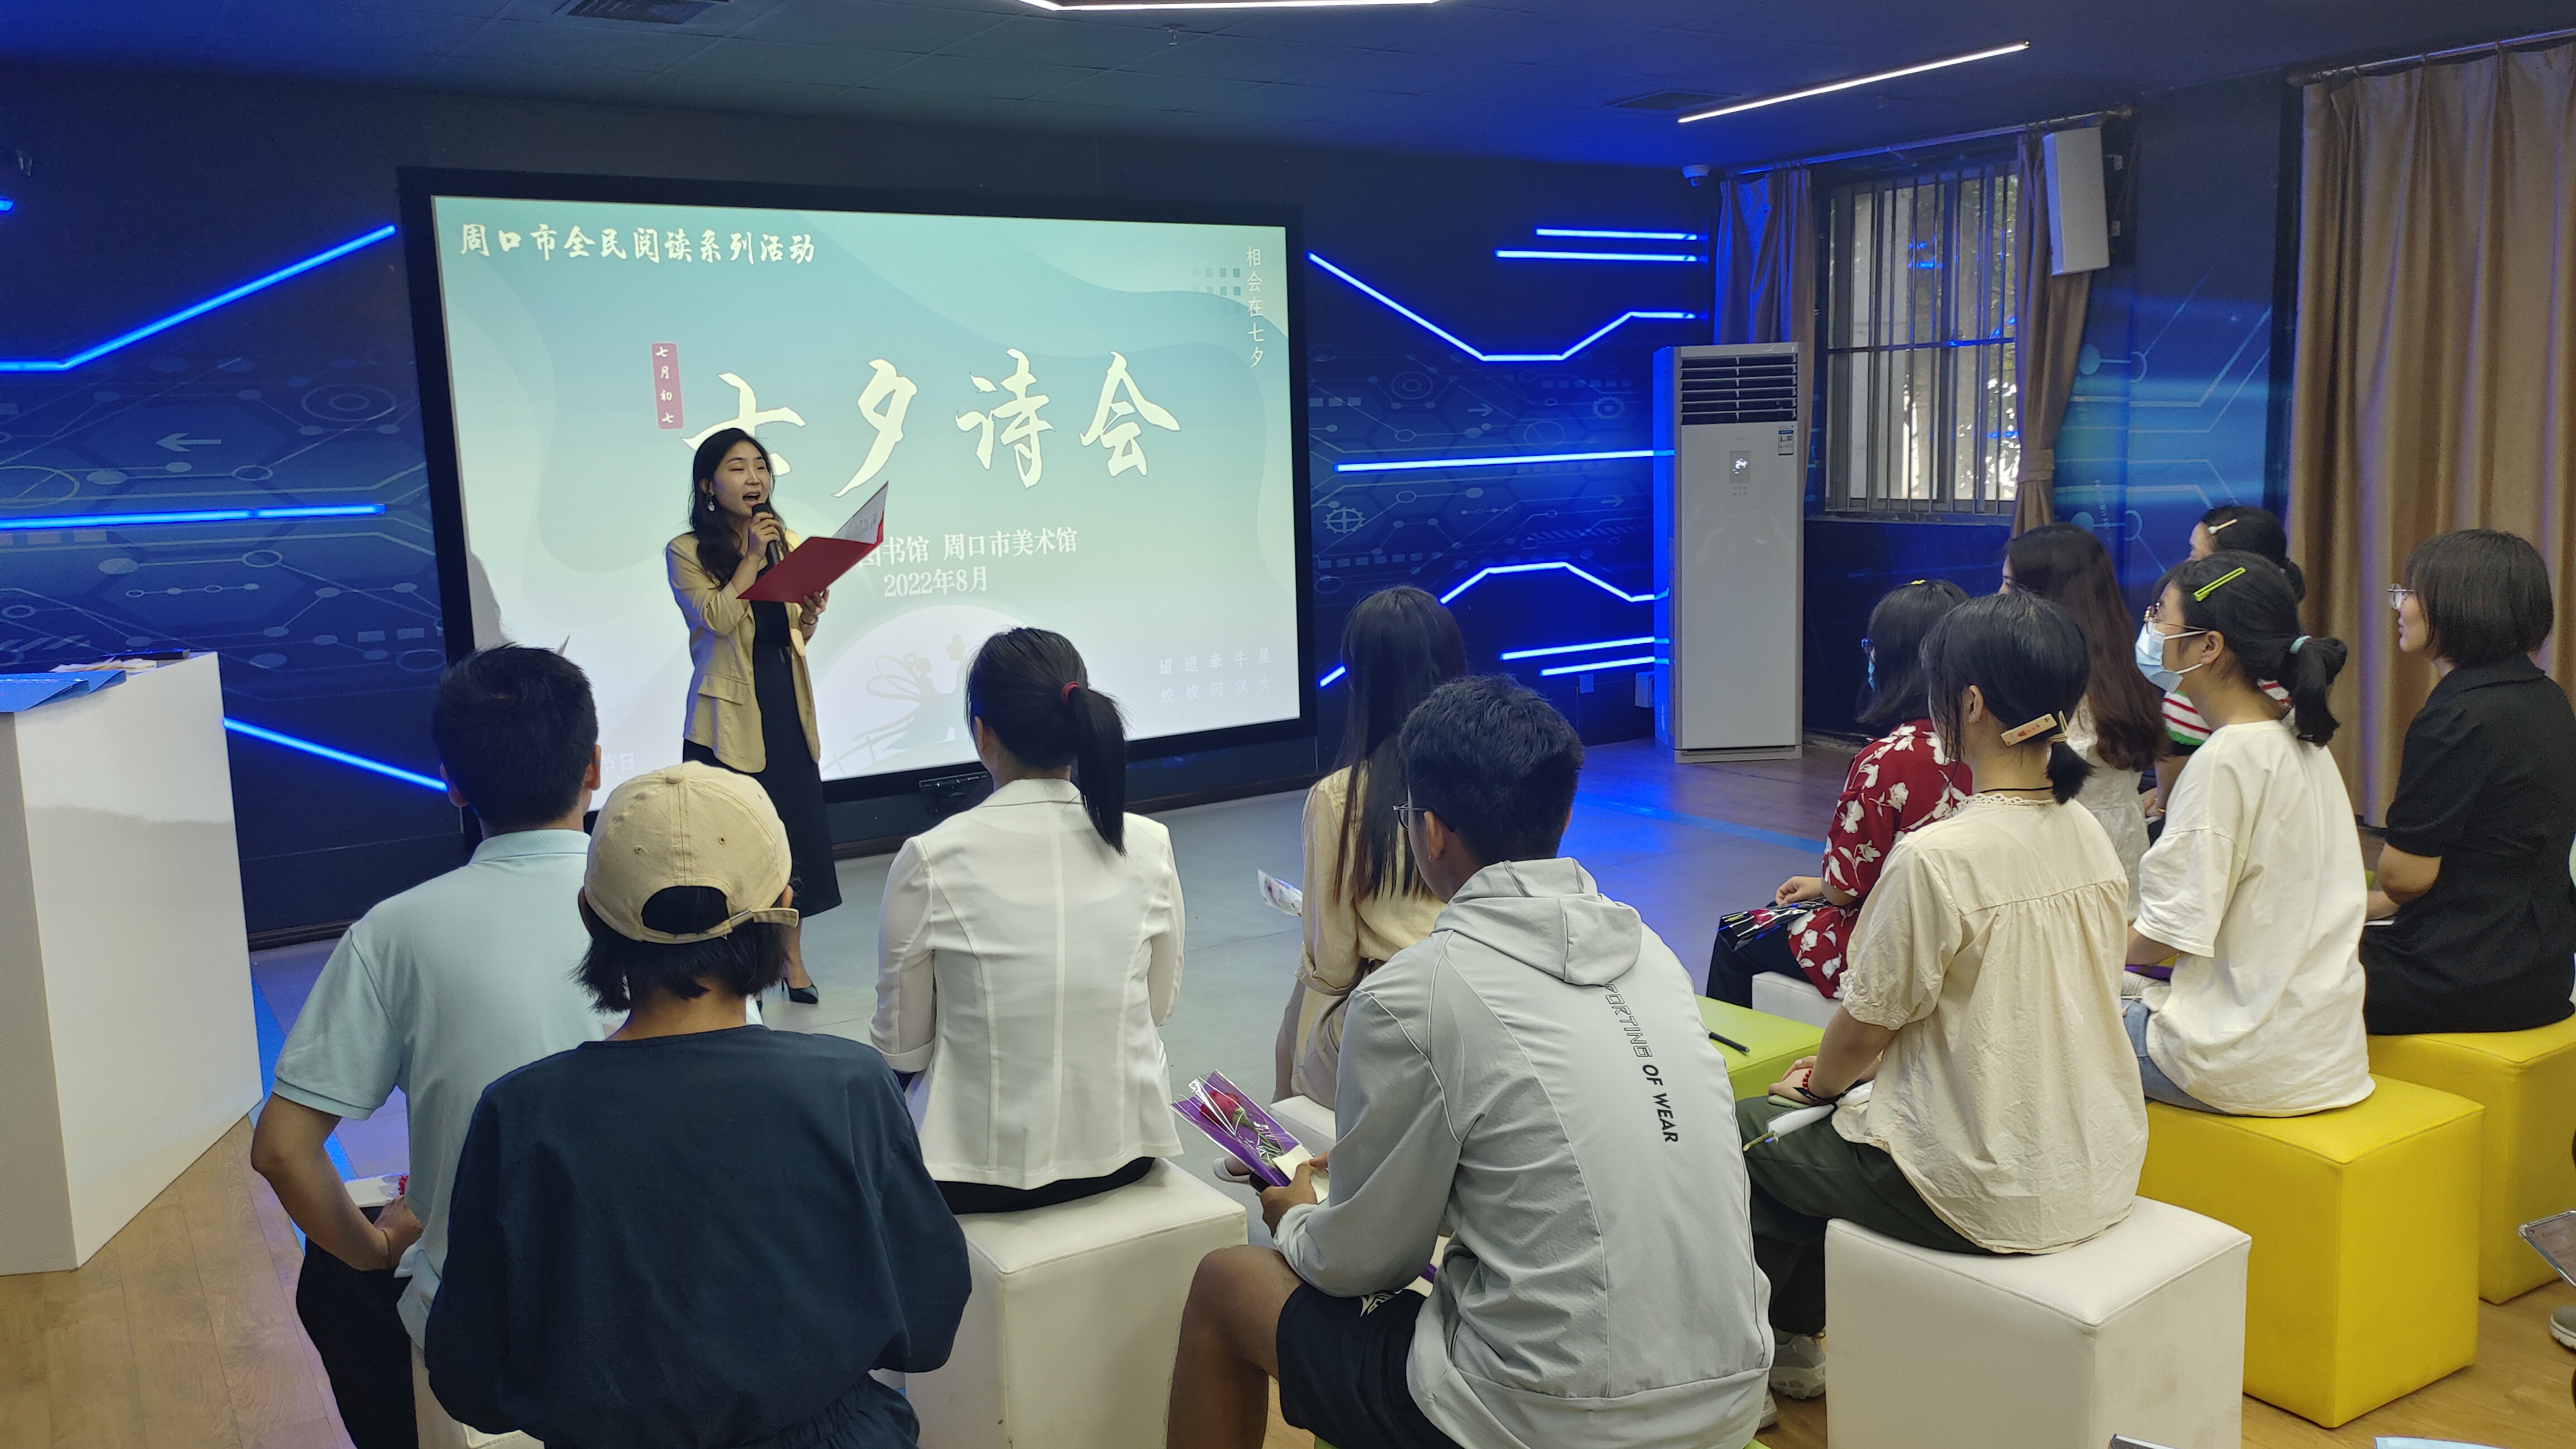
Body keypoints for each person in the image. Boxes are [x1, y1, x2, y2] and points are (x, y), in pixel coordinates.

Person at [1167, 676, 1772, 1449]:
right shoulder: (1649, 953)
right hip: (1730, 1392)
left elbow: (1363, 1264)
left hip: (1550, 1417)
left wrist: (1296, 1217)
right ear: (1561, 813)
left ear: (1429, 832)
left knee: (1227, 1284)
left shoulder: (1413, 994)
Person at [425, 764, 969, 1448]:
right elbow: (929, 1316)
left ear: (590, 915)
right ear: (784, 908)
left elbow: (470, 1375)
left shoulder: (520, 1115)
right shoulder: (851, 1085)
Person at [1739, 592, 2146, 1405]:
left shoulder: (1937, 858)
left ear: (1970, 705)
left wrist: (1818, 1086)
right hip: (2103, 1161)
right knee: (1825, 1132)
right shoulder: (2088, 832)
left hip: (1987, 1189)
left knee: (1753, 1134)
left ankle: (1764, 1353)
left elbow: (1861, 1034)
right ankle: (1791, 1342)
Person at [249, 646, 613, 1449]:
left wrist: (374, 1251)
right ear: (594, 766)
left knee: (337, 1278)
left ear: (450, 783)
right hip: (661, 1297)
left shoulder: (394, 931)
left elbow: (281, 1150)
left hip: (485, 1326)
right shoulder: (678, 912)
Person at [870, 627, 1185, 1214]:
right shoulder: (1150, 843)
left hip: (974, 1172)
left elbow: (902, 1050)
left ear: (982, 734)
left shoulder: (931, 857)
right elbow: (1159, 1006)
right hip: (1125, 1152)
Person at [2125, 552, 2374, 1115]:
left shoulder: (2227, 759)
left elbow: (2165, 935)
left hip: (2242, 1062)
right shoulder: (2297, 738)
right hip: (2324, 1052)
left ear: (2209, 646)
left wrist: (2080, 945)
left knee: (2036, 1013)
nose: (2150, 630)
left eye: (2159, 616)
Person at [1708, 579, 1971, 1005]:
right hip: (1963, 935)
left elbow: (1844, 888)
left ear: (1892, 660)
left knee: (1736, 935)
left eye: (1872, 647)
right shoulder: (1988, 747)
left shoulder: (1885, 760)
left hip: (1888, 942)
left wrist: (1825, 886)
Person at [2363, 528, 2576, 1035]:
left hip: (2456, 977)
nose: (2400, 606)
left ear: (2460, 605)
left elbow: (2404, 880)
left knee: (2266, 964)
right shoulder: (2548, 698)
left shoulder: (2456, 718)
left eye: (2410, 592)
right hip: (2542, 970)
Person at [1274, 586, 1463, 1105]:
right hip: (1493, 997)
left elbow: (1333, 966)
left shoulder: (1340, 799)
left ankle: (1284, 1137)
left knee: (1292, 1031)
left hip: (1397, 1024)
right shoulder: (1492, 777)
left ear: (1359, 681)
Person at [670, 427, 834, 1003]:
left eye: (761, 466)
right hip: (725, 717)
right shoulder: (687, 552)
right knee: (733, 843)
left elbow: (789, 633)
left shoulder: (786, 540)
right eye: (738, 468)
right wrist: (751, 560)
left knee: (793, 837)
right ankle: (739, 965)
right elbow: (716, 618)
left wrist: (809, 614)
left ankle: (792, 960)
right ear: (707, 485)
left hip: (784, 704)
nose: (755, 478)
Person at [2003, 523, 2163, 905]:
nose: (1999, 597)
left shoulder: (2055, 681)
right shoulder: (2123, 670)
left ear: (2044, 596)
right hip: (2121, 851)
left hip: (2062, 857)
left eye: (2009, 585)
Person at [2144, 505, 2299, 814]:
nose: (2187, 567)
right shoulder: (2292, 654)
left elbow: (2174, 792)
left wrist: (2161, 807)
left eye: (2197, 557)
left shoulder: (2198, 682)